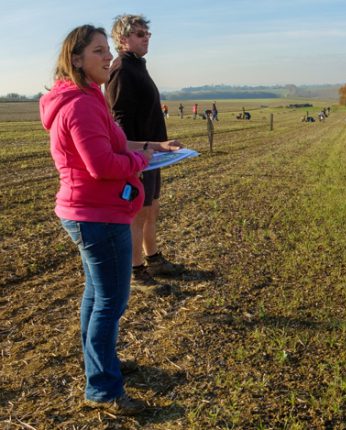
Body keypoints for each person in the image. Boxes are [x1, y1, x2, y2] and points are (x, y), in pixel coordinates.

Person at [40, 24, 156, 415]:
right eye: (97, 51)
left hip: (89, 212)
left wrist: (154, 146)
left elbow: (115, 144)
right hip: (96, 215)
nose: (107, 57)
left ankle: (100, 366)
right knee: (110, 301)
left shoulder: (86, 95)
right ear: (76, 59)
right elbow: (103, 164)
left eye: (108, 50)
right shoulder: (81, 103)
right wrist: (141, 161)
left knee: (96, 296)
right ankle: (104, 388)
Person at [107, 14, 185, 290]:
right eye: (140, 34)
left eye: (147, 34)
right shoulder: (121, 69)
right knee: (137, 214)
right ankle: (136, 271)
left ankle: (154, 259)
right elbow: (120, 121)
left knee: (151, 210)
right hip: (139, 157)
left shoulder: (137, 66)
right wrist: (134, 159)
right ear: (122, 39)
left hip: (152, 154)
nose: (146, 38)